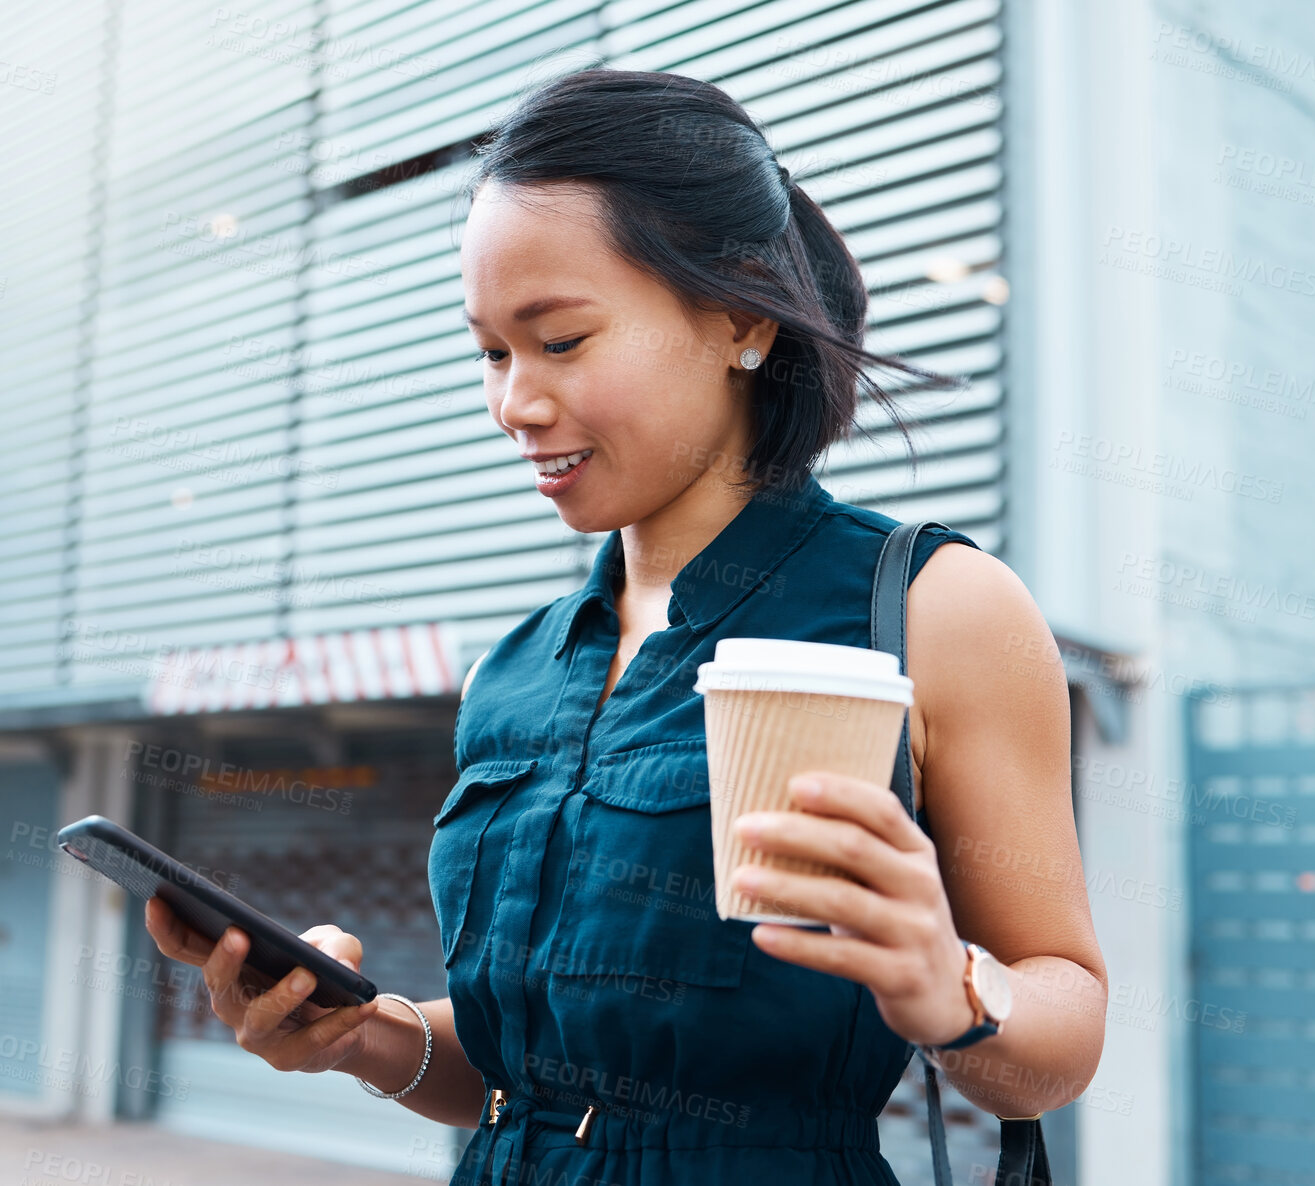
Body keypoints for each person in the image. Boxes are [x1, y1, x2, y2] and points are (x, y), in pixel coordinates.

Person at [147, 67, 1107, 1186]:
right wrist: (358, 1035)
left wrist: (951, 987)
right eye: (491, 352)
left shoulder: (934, 608)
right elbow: (527, 1080)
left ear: (741, 318)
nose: (514, 403)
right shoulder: (516, 669)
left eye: (559, 341)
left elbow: (1064, 1023)